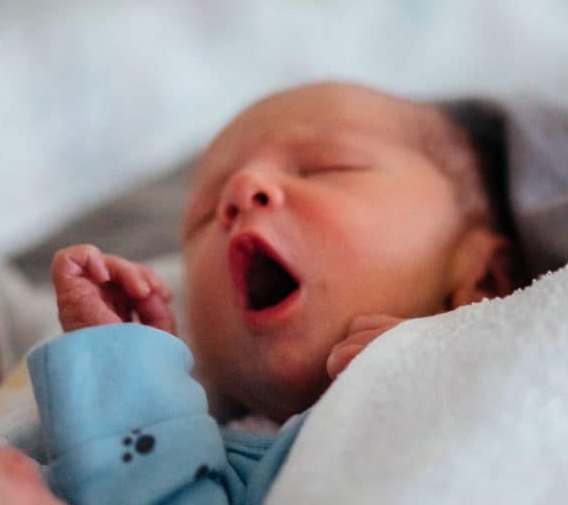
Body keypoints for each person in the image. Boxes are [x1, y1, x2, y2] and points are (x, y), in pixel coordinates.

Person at [30, 81, 520, 504]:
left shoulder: (535, 365)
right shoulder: (231, 466)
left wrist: (445, 365)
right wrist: (129, 375)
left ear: (483, 279)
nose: (242, 189)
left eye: (326, 167)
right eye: (203, 213)